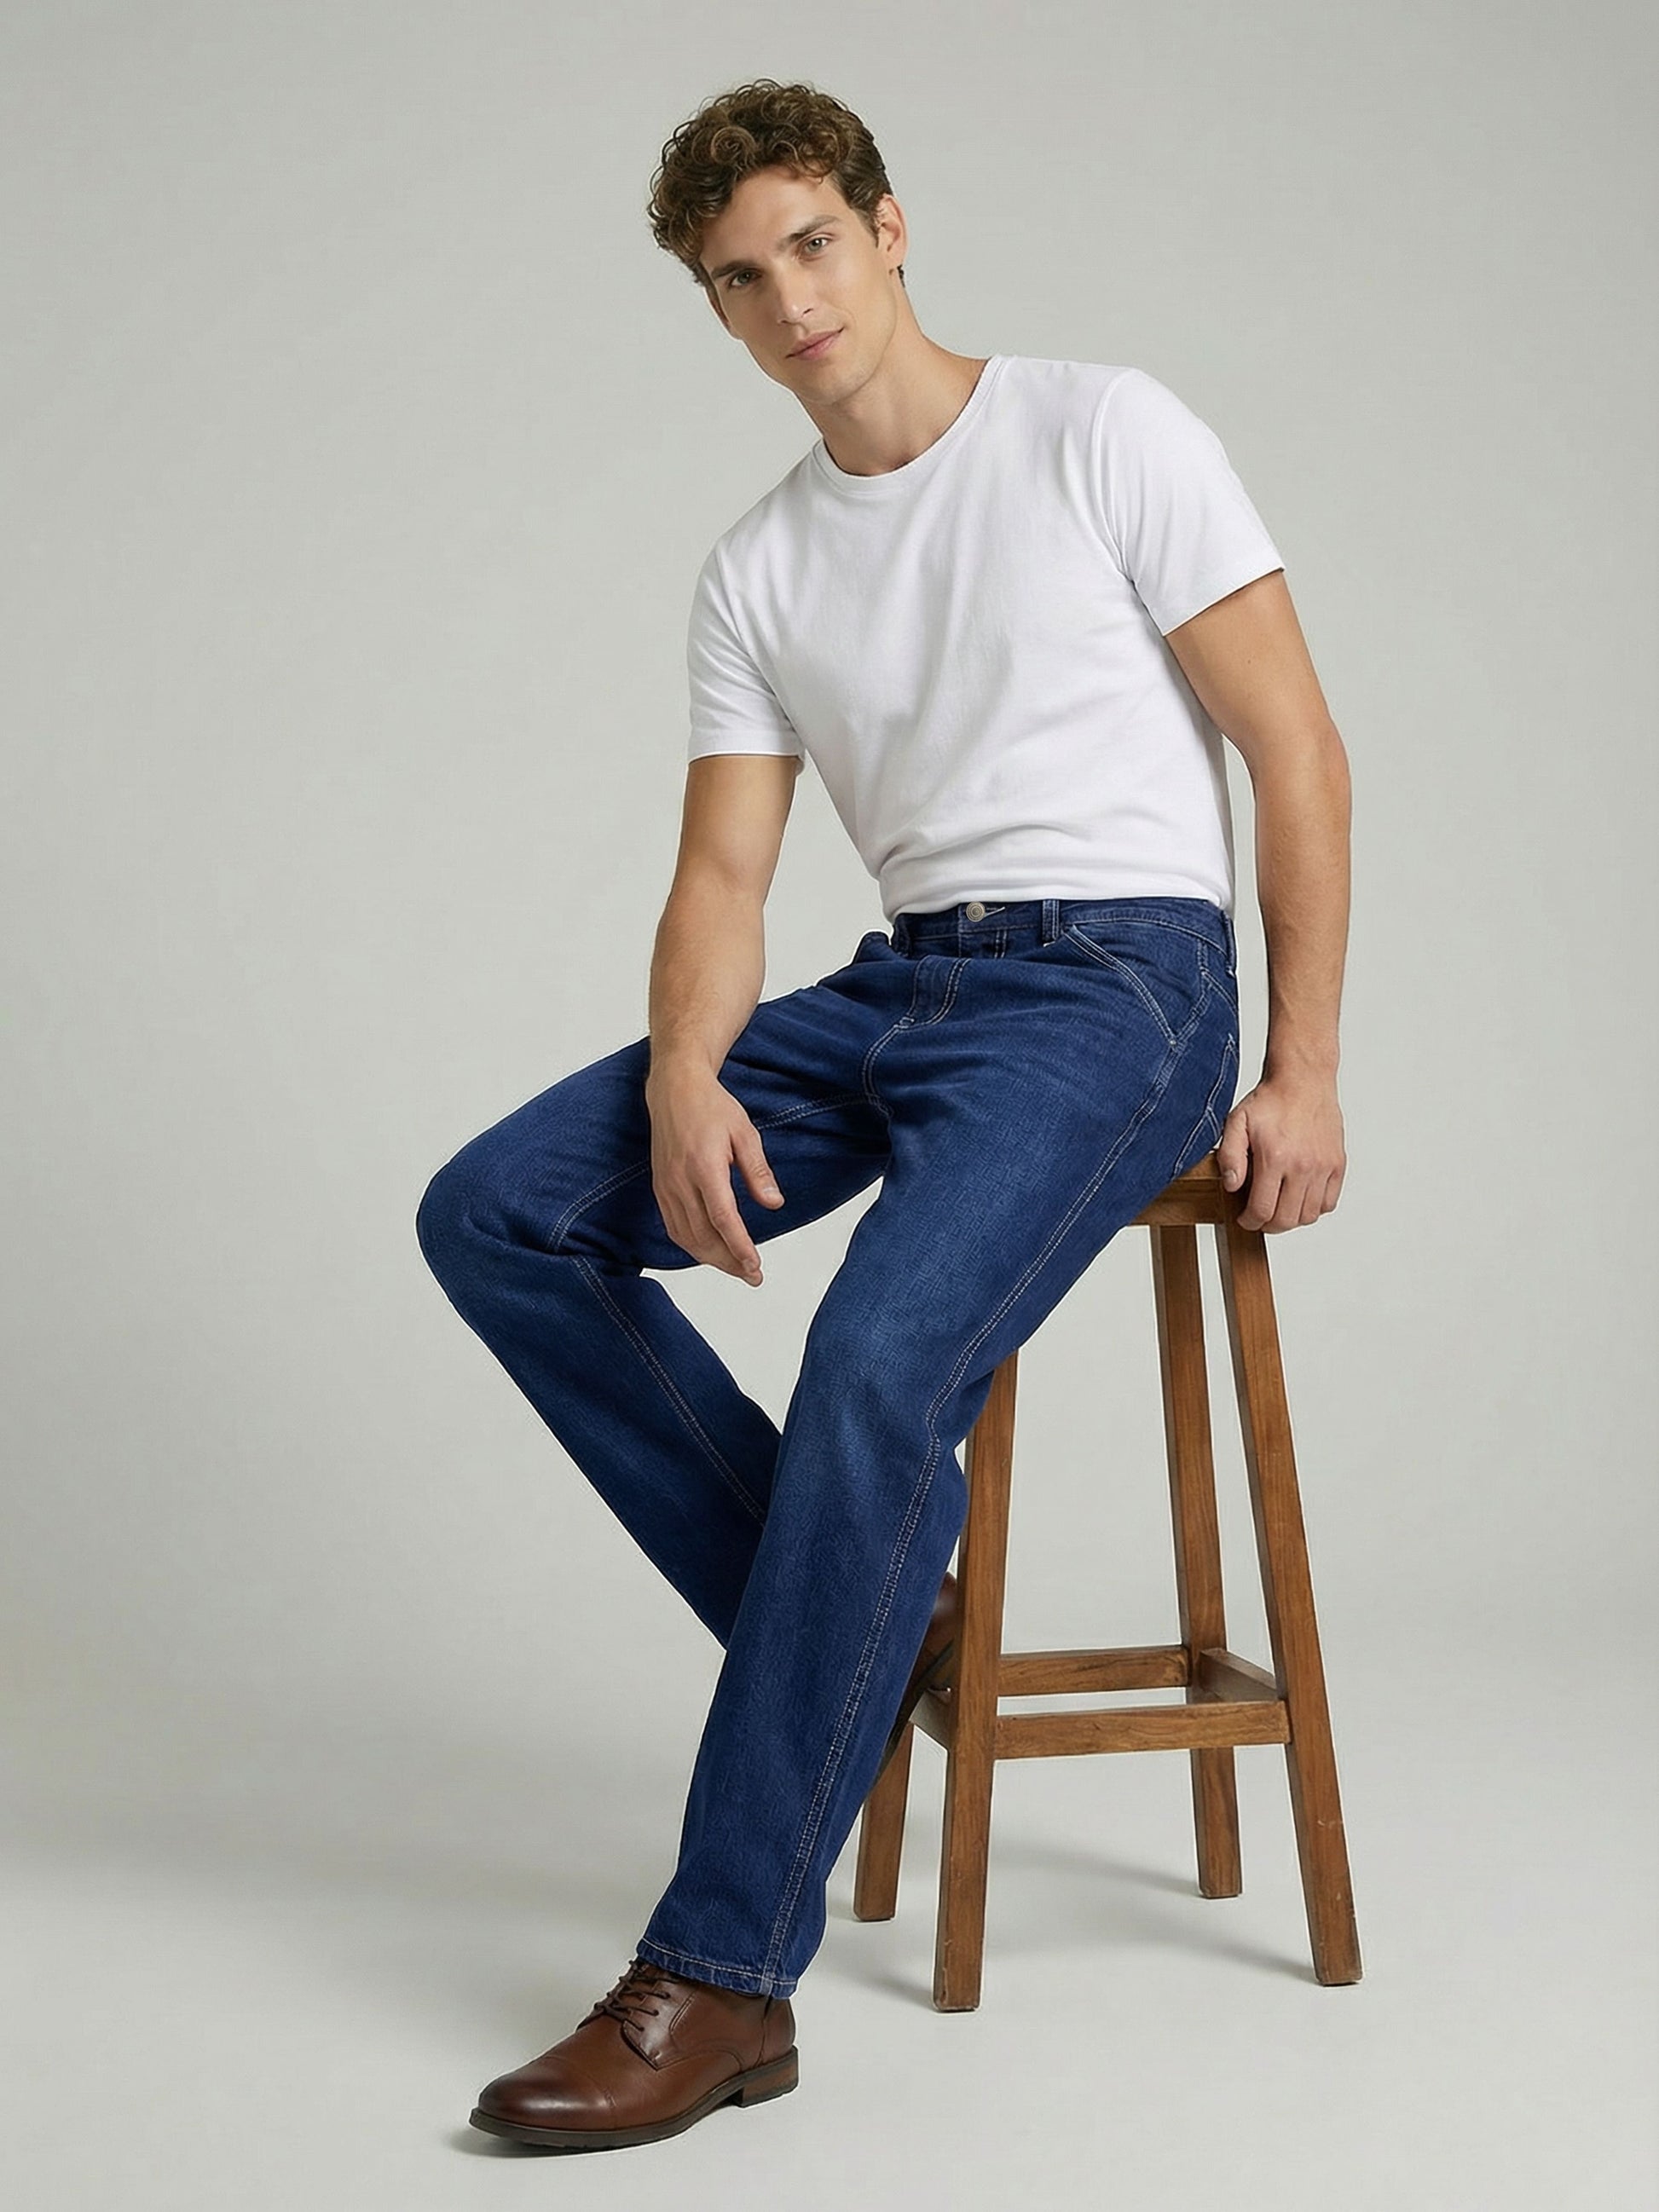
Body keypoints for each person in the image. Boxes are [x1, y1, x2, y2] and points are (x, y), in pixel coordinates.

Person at [415, 76, 1350, 2154]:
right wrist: (682, 1068)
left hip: (1119, 984)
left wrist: (1302, 1063)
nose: (791, 301)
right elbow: (724, 875)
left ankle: (720, 1974)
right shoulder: (758, 567)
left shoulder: (1100, 429)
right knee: (495, 1210)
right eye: (740, 279)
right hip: (900, 981)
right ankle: (877, 1599)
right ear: (715, 308)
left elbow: (1294, 746)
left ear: (888, 225)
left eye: (812, 245)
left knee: (869, 1364)